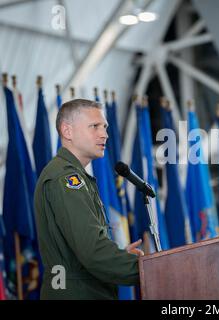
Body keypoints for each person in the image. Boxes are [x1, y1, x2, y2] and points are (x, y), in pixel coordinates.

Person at [34, 99, 143, 299]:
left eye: (105, 127)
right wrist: (146, 270)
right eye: (94, 127)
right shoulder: (66, 178)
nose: (104, 134)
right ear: (67, 131)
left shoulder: (72, 175)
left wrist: (118, 257)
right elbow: (92, 253)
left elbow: (80, 250)